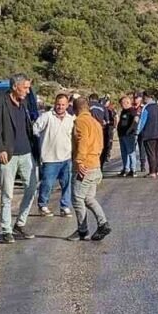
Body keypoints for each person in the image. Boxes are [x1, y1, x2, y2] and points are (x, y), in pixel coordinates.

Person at [0, 73, 41, 243]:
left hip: (26, 154)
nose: (28, 91)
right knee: (7, 194)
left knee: (32, 188)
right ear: (14, 86)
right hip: (8, 155)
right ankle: (6, 229)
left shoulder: (24, 102)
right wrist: (0, 149)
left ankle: (20, 223)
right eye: (25, 88)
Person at [61, 96, 112, 242]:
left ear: (75, 109)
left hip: (85, 166)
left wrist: (79, 161)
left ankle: (82, 230)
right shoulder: (95, 122)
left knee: (77, 198)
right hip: (95, 164)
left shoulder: (80, 121)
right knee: (89, 198)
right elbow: (101, 144)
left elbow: (82, 141)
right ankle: (103, 223)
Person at [33, 92, 75, 217]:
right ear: (55, 104)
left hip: (66, 157)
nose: (60, 107)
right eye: (58, 104)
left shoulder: (71, 119)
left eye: (63, 105)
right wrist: (41, 142)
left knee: (66, 184)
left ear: (67, 105)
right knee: (47, 184)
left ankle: (65, 206)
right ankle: (43, 205)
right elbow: (35, 129)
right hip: (50, 158)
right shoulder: (46, 116)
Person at [136, 92, 158, 178]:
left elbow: (142, 122)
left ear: (146, 97)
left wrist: (137, 132)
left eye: (143, 98)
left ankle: (152, 172)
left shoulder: (146, 108)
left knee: (151, 153)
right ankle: (157, 171)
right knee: (157, 153)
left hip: (149, 134)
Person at [116, 95, 139, 177]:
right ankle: (126, 168)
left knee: (131, 152)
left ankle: (133, 169)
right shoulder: (123, 111)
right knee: (124, 153)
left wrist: (130, 130)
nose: (121, 105)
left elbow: (135, 120)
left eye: (122, 103)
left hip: (129, 135)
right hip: (122, 135)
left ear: (127, 102)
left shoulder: (132, 111)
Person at [89, 94, 112, 169]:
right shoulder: (103, 107)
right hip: (101, 130)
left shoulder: (88, 105)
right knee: (101, 148)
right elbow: (107, 121)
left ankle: (92, 165)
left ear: (90, 99)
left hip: (90, 130)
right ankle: (100, 166)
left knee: (91, 148)